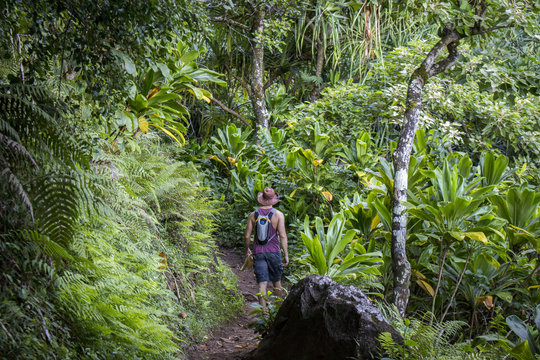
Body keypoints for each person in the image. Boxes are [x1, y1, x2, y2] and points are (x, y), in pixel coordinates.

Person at [244, 187, 288, 307]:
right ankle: (277, 311)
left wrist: (246, 249)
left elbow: (247, 236)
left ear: (261, 199)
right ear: (273, 200)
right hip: (274, 252)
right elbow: (283, 236)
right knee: (277, 282)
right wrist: (286, 255)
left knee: (262, 284)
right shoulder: (278, 215)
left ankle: (263, 314)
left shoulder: (253, 215)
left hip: (258, 252)